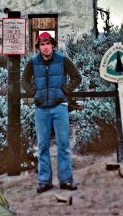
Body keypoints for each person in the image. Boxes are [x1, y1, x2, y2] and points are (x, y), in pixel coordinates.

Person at [21, 32, 82, 193]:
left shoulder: (62, 60)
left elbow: (77, 77)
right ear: (38, 47)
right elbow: (24, 80)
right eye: (42, 44)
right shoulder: (33, 62)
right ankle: (44, 181)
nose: (45, 47)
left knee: (63, 144)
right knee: (42, 146)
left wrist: (64, 91)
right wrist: (35, 93)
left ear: (53, 45)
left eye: (48, 44)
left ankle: (66, 180)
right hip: (41, 109)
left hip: (60, 107)